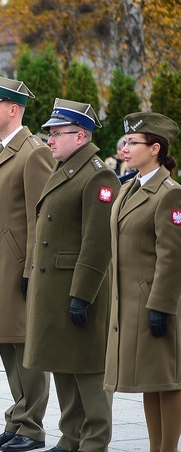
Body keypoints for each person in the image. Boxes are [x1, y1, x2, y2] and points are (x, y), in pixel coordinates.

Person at [23, 99, 119, 452]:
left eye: (56, 133)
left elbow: (97, 243)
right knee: (61, 362)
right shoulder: (65, 167)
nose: (49, 139)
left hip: (80, 288)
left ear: (80, 135)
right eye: (48, 132)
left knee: (88, 368)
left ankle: (94, 440)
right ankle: (71, 435)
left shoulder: (98, 174)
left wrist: (83, 294)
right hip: (54, 287)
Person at [0, 74, 55, 452]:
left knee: (24, 345)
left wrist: (30, 268)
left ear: (14, 109)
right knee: (6, 341)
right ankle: (16, 419)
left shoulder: (33, 151)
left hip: (17, 264)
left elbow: (42, 216)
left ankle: (31, 426)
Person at [104, 112, 181, 452]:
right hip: (132, 303)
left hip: (158, 304)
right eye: (126, 142)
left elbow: (172, 256)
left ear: (154, 148)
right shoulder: (129, 187)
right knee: (152, 381)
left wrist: (161, 307)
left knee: (170, 382)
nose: (125, 148)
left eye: (133, 143)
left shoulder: (169, 194)